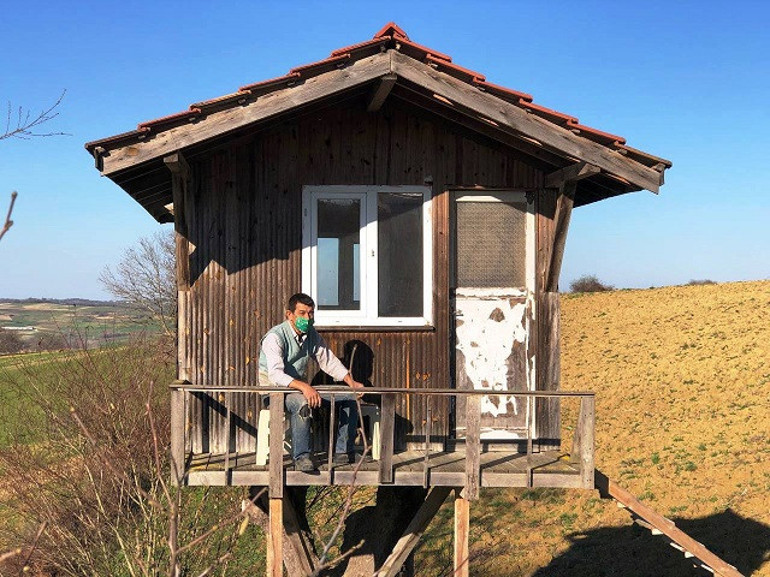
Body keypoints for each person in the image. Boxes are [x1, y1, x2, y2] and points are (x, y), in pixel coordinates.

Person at [258, 293, 364, 472]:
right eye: (302, 313)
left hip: (299, 388)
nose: (307, 318)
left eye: (310, 313)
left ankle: (343, 451)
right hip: (274, 391)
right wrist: (304, 387)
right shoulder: (275, 337)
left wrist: (350, 382)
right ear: (289, 315)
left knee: (350, 397)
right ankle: (301, 457)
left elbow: (327, 360)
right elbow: (275, 374)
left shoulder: (311, 335)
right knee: (302, 403)